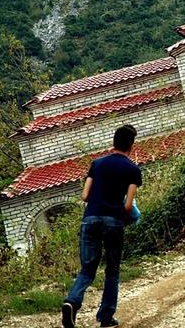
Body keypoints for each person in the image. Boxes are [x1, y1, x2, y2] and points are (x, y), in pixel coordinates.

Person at [62, 125, 142, 328]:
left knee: (87, 269)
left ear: (113, 142)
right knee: (112, 271)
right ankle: (106, 318)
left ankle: (71, 302)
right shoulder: (132, 170)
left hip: (90, 219)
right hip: (113, 222)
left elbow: (85, 196)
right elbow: (127, 205)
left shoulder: (96, 164)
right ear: (131, 146)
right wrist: (128, 217)